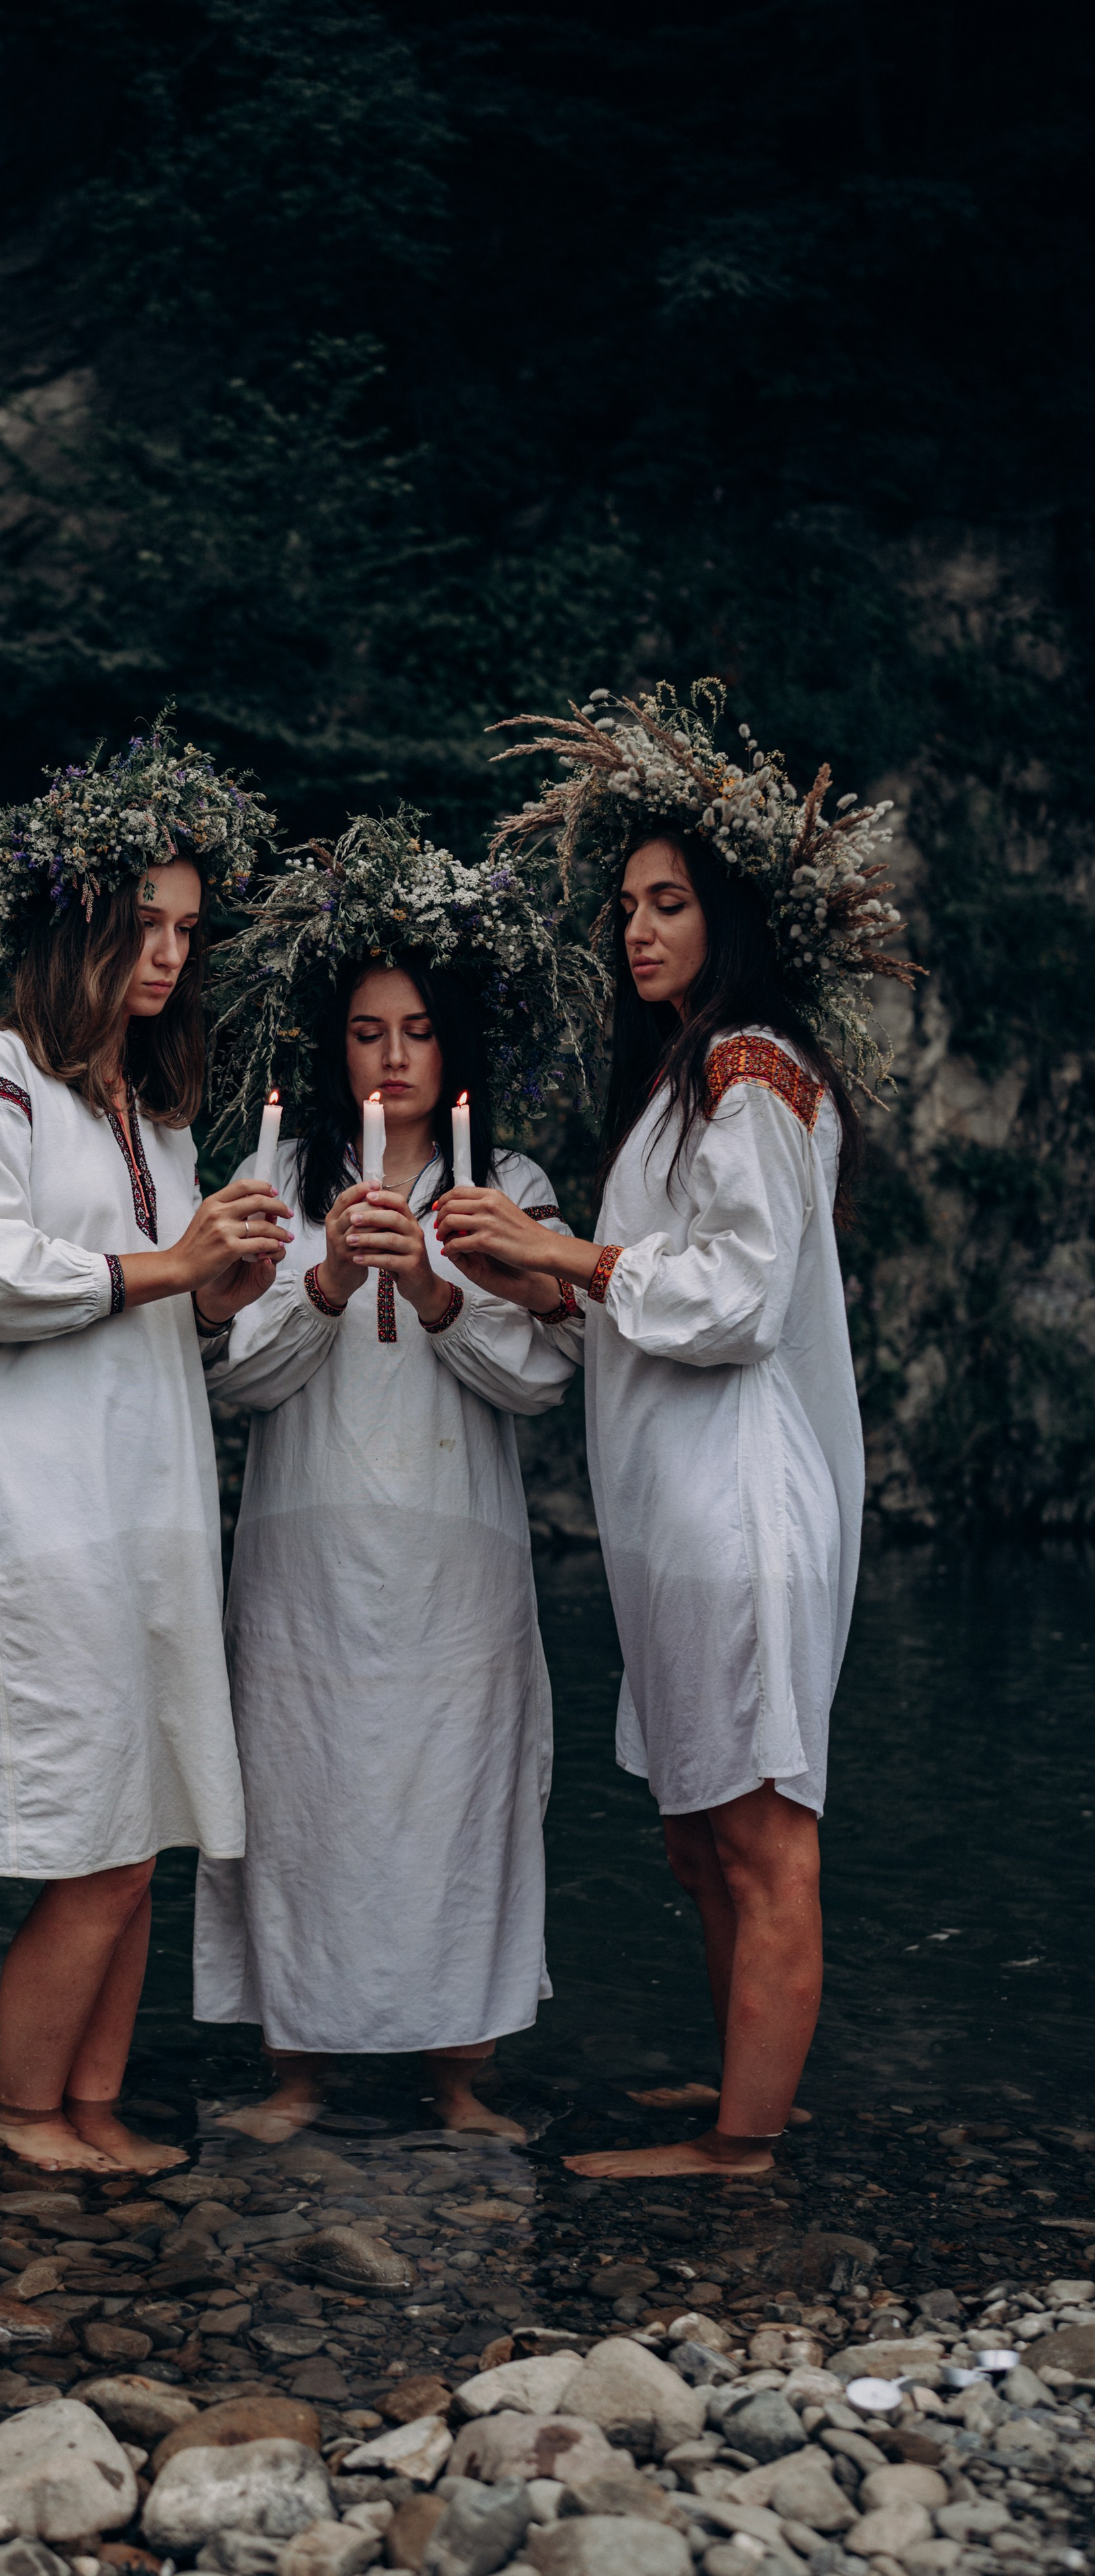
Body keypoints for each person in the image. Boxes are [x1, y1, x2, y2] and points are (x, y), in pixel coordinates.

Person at [435, 683, 919, 2179]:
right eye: (629, 905)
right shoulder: (675, 1081)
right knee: (694, 1828)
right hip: (671, 1509)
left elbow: (741, 1296)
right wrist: (533, 1269)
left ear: (727, 911)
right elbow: (657, 1298)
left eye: (668, 901)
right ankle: (735, 2097)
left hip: (740, 1505)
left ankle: (743, 2149)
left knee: (762, 1829)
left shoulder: (751, 1065)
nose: (637, 928)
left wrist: (570, 1254)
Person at [0, 724, 290, 2175]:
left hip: (147, 1509)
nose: (171, 953)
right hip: (34, 1518)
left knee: (144, 1824)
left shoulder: (156, 1114)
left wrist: (213, 1292)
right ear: (80, 925)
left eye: (189, 929)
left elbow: (145, 1291)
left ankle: (94, 2107)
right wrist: (163, 1262)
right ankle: (21, 2109)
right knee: (89, 1839)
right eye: (144, 925)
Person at [193, 813, 603, 2138]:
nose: (390, 1053)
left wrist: (431, 1283)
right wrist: (319, 1281)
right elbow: (224, 1375)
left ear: (451, 1044)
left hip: (453, 1555)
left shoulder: (511, 1185)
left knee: (455, 1794)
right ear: (335, 1047)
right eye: (367, 1031)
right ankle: (295, 2070)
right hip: (305, 1553)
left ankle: (458, 2074)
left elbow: (540, 1379)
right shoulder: (272, 1177)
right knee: (301, 1787)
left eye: (415, 1029)